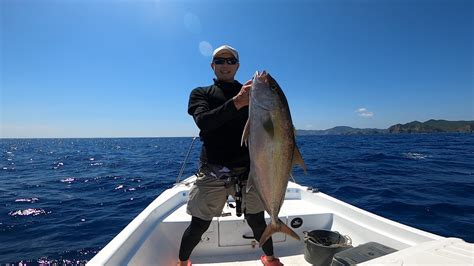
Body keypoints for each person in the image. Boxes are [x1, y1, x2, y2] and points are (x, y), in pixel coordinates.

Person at [177, 45, 283, 266]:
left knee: (257, 221)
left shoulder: (254, 93)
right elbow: (204, 122)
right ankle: (183, 262)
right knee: (199, 224)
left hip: (250, 171)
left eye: (230, 61)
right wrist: (237, 102)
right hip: (213, 169)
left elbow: (269, 127)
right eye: (220, 61)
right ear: (212, 65)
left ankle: (270, 259)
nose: (225, 65)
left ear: (237, 65)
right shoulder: (201, 93)